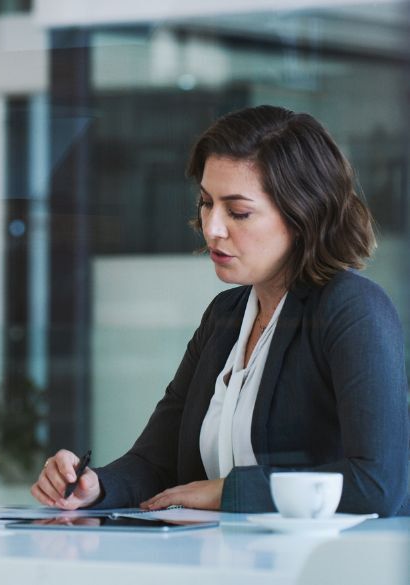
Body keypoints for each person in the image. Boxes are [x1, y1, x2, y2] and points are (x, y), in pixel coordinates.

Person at [32, 105, 410, 516]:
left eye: (238, 212)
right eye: (207, 203)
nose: (212, 226)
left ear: (303, 214)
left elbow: (377, 484)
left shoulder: (352, 308)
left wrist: (228, 492)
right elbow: (154, 461)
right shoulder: (225, 315)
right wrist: (95, 486)